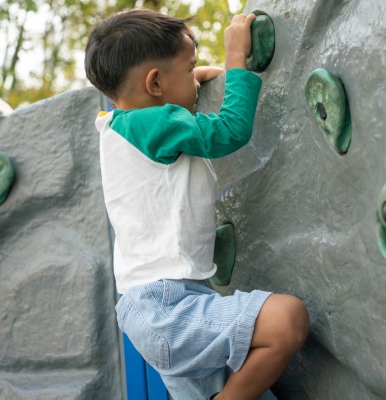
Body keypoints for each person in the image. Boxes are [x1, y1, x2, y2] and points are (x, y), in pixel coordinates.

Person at [86, 9, 309, 400]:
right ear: (154, 83)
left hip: (161, 304)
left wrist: (192, 79)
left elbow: (168, 103)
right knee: (287, 320)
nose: (196, 77)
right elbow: (230, 130)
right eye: (188, 69)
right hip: (168, 307)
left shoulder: (119, 123)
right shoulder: (154, 125)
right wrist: (235, 59)